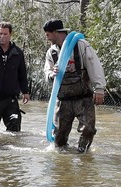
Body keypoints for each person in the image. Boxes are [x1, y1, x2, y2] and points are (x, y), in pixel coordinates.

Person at [43, 19, 106, 153]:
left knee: (89, 129)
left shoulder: (81, 45)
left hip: (83, 99)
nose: (46, 37)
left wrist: (99, 88)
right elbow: (46, 71)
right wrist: (52, 74)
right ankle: (62, 163)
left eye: (47, 34)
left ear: (56, 32)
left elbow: (94, 65)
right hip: (63, 101)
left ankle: (82, 153)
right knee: (59, 138)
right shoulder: (51, 52)